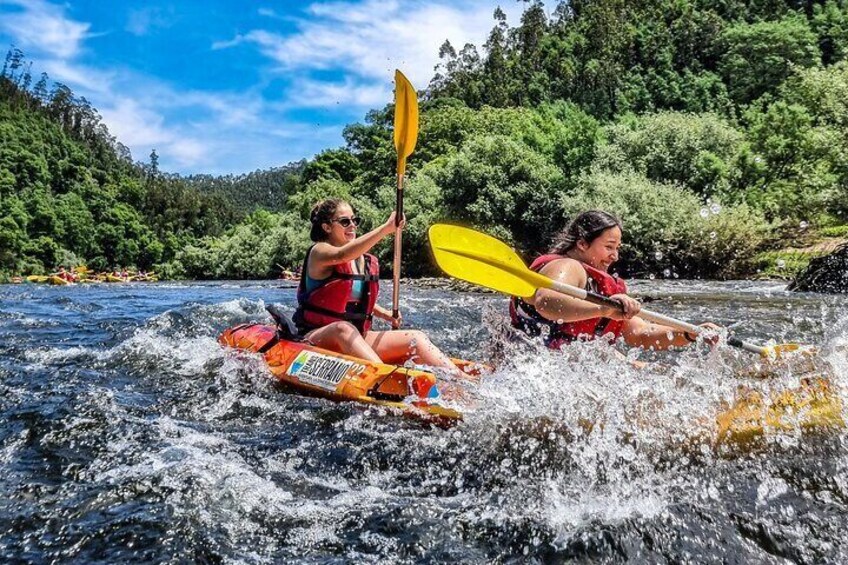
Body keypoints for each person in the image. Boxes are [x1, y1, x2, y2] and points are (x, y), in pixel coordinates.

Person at [293, 198, 461, 373]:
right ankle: (387, 376)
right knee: (343, 328)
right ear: (327, 227)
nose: (352, 225)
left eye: (354, 220)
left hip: (355, 337)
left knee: (415, 338)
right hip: (317, 336)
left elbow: (350, 302)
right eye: (344, 221)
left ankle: (464, 382)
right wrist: (387, 228)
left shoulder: (362, 260)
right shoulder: (320, 252)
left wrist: (386, 315)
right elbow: (342, 255)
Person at [511, 210, 720, 350]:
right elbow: (546, 302)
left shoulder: (602, 287)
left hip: (557, 367)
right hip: (526, 363)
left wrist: (691, 333)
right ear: (582, 244)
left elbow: (641, 333)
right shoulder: (567, 266)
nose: (615, 256)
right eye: (609, 247)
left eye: (617, 248)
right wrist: (605, 309)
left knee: (636, 367)